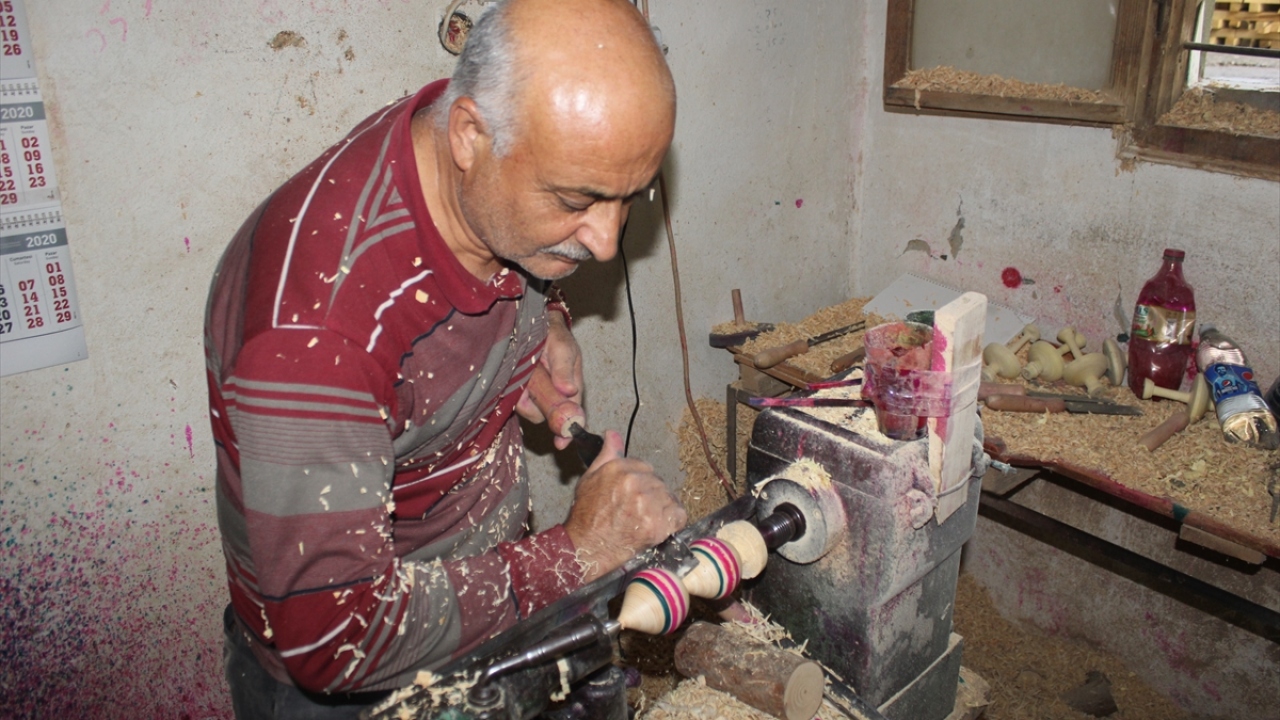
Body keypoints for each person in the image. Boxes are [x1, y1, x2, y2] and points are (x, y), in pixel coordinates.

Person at [204, 0, 685, 715]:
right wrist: (576, 553)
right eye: (578, 200)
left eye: (630, 197)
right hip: (374, 675)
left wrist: (539, 324)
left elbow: (497, 256)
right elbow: (337, 637)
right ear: (470, 136)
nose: (608, 242)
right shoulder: (317, 334)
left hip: (485, 601)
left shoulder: (463, 151)